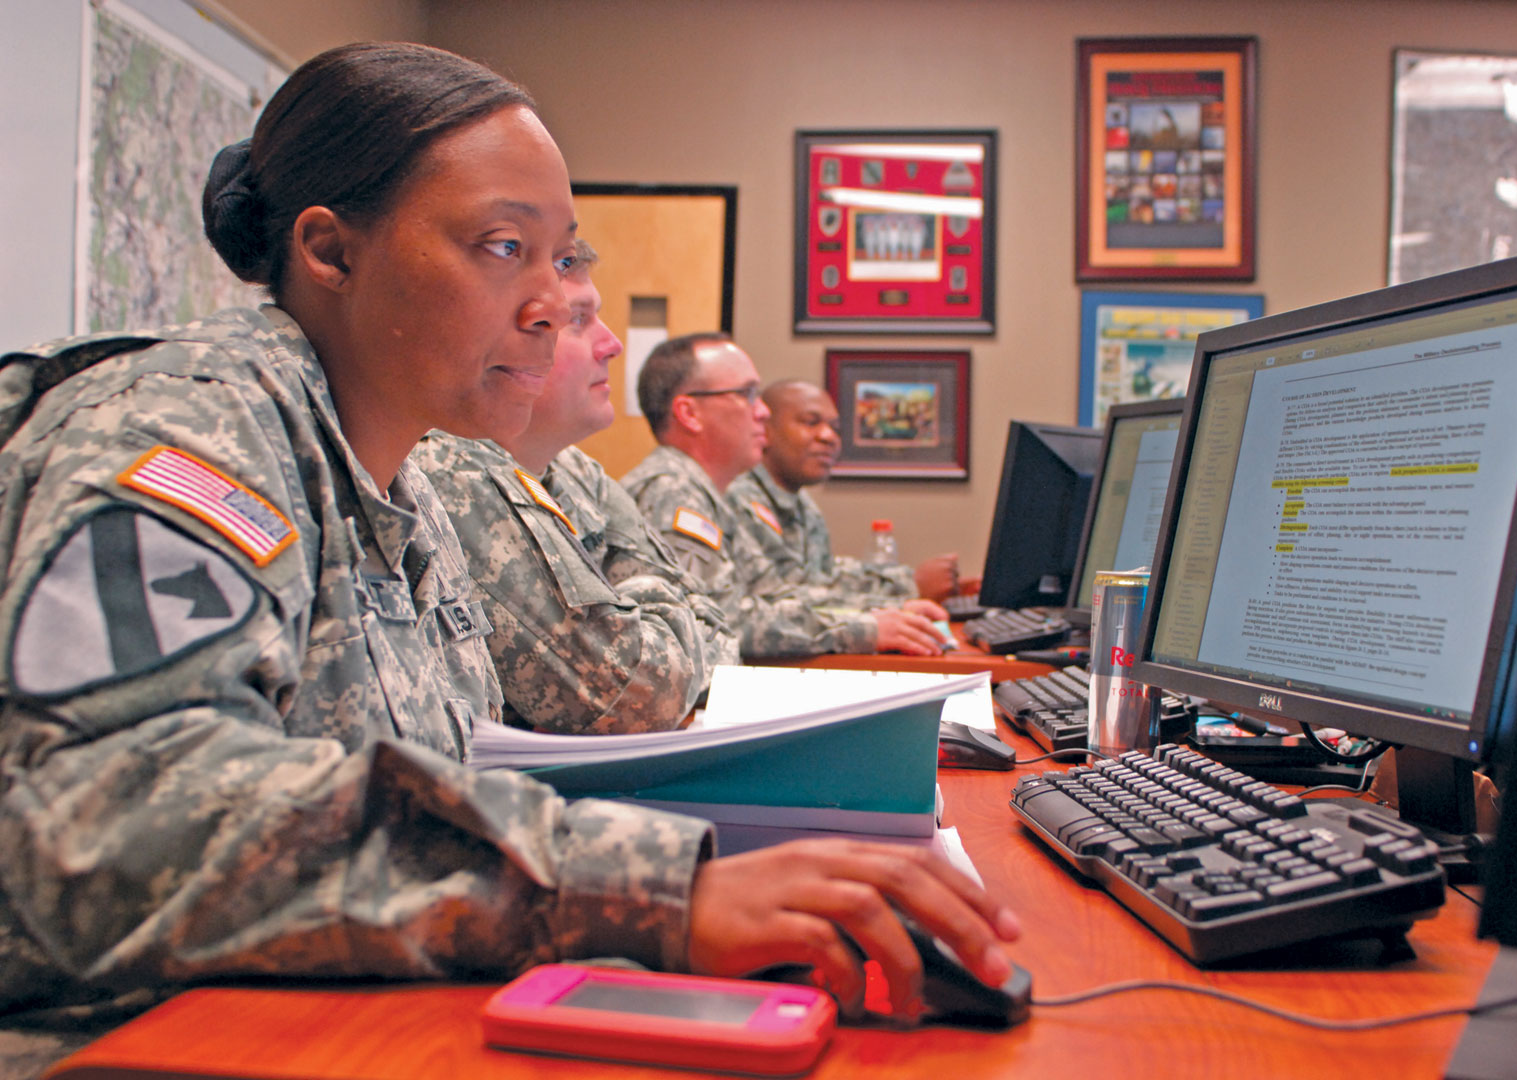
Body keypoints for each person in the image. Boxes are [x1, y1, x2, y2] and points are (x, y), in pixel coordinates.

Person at [0, 42, 1018, 1066]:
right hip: (120, 1038)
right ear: (330, 253)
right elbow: (114, 821)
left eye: (563, 258)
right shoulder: (189, 431)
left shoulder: (408, 482)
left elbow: (448, 777)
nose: (549, 304)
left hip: (328, 1005)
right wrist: (653, 884)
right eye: (501, 248)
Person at [413, 241, 737, 734]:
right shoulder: (450, 465)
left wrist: (638, 623)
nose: (613, 345)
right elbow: (637, 697)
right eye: (580, 320)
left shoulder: (575, 471)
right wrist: (650, 610)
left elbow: (723, 630)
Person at [621, 334, 948, 658]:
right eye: (747, 394)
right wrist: (864, 628)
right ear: (690, 413)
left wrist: (881, 610)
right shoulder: (671, 491)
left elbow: (775, 592)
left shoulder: (702, 491)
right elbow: (723, 621)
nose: (763, 411)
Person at [730, 379, 973, 603]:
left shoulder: (802, 504)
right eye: (811, 422)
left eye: (835, 427)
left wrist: (909, 581)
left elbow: (824, 579)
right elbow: (779, 603)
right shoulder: (739, 499)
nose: (829, 437)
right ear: (765, 429)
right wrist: (909, 592)